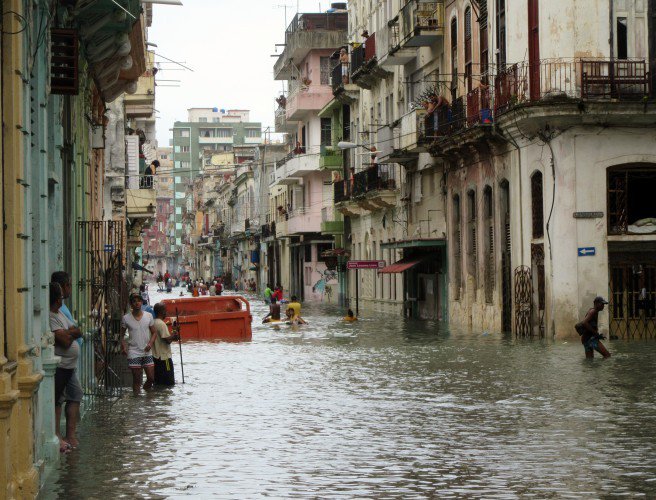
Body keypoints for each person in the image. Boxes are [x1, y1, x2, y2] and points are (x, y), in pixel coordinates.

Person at [50, 282, 83, 452]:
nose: (63, 298)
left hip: (70, 367)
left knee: (76, 394)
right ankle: (57, 436)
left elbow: (77, 331)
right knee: (57, 400)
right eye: (61, 295)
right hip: (61, 366)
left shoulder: (60, 314)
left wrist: (69, 334)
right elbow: (63, 341)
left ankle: (70, 435)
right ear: (57, 299)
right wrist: (69, 334)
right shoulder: (50, 317)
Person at [121, 293, 158, 395]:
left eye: (139, 301)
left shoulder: (148, 316)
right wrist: (123, 346)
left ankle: (147, 399)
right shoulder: (126, 318)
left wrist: (150, 344)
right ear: (131, 304)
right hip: (133, 352)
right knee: (136, 380)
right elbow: (121, 335)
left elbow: (154, 332)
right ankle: (136, 403)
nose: (137, 303)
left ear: (141, 302)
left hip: (147, 350)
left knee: (151, 378)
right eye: (134, 301)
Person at [151, 303, 179, 386]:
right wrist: (175, 332)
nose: (166, 312)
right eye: (165, 310)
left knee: (158, 382)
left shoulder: (153, 322)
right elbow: (168, 340)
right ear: (162, 312)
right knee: (169, 382)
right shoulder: (161, 324)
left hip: (155, 357)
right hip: (164, 357)